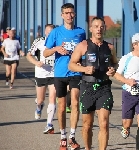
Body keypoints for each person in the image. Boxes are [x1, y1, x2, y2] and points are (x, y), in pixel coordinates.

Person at [68, 17, 117, 150]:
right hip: (87, 87)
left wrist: (113, 69)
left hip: (104, 87)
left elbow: (115, 63)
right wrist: (84, 69)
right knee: (87, 125)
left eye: (101, 27)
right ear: (91, 29)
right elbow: (71, 65)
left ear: (104, 28)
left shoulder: (110, 47)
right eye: (96, 26)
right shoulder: (83, 45)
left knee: (104, 123)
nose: (99, 29)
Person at [43, 3, 86, 150]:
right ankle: (63, 136)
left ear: (74, 14)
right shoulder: (56, 32)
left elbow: (84, 50)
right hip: (60, 72)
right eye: (66, 13)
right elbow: (45, 53)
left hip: (75, 72)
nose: (69, 15)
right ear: (62, 15)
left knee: (74, 102)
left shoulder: (81, 32)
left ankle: (72, 137)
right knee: (61, 107)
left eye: (71, 13)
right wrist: (56, 48)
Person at [114, 33, 139, 150]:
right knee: (126, 123)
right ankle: (126, 128)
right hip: (128, 94)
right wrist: (127, 81)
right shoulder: (126, 58)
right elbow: (117, 75)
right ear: (134, 45)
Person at [26, 24, 56, 134]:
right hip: (41, 73)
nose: (50, 35)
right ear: (45, 32)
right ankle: (39, 106)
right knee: (40, 100)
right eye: (48, 32)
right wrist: (36, 62)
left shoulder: (58, 42)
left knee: (52, 98)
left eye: (52, 33)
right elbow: (29, 55)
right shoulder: (39, 41)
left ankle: (49, 124)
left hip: (53, 73)